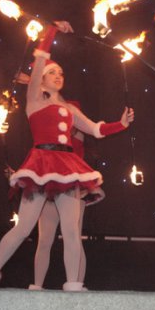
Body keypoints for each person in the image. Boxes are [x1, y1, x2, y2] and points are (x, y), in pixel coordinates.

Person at [0, 22, 133, 291]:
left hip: (67, 166)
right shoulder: (34, 100)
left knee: (73, 231)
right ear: (41, 78)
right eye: (53, 72)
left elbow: (95, 129)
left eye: (61, 73)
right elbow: (39, 59)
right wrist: (51, 31)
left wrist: (120, 124)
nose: (58, 75)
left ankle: (74, 285)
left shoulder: (68, 107)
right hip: (41, 163)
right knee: (24, 228)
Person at [29, 103, 105, 291]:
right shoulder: (51, 135)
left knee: (73, 237)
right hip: (50, 189)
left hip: (72, 188)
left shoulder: (76, 138)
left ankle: (77, 284)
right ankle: (37, 286)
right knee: (45, 239)